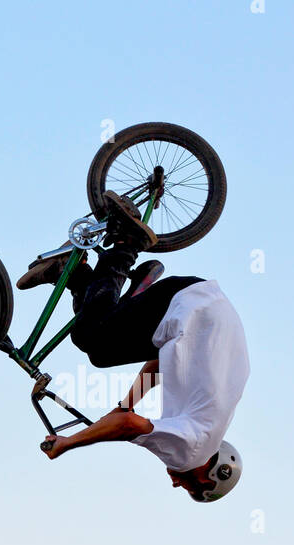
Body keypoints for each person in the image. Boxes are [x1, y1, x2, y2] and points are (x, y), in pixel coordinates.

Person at [17, 193, 250, 502]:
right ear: (211, 473)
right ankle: (128, 242)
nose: (176, 485)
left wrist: (125, 404)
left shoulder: (207, 418)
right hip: (184, 307)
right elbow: (127, 426)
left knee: (101, 346)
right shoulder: (190, 453)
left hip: (195, 305)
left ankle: (71, 273)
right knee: (92, 339)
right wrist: (67, 443)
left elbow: (160, 362)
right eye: (192, 488)